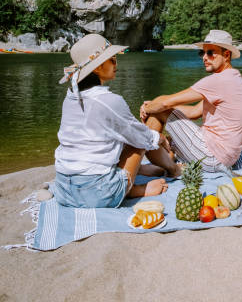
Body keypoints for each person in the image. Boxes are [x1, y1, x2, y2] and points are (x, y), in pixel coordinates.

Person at [53, 34, 180, 208]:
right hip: (99, 195)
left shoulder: (71, 96)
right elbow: (141, 137)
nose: (116, 64)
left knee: (116, 138)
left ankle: (140, 173)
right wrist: (161, 138)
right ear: (97, 67)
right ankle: (166, 174)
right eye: (112, 60)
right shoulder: (108, 100)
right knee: (140, 139)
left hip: (64, 189)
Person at [140, 30, 242, 173]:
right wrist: (153, 105)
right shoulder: (233, 79)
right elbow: (193, 112)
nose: (205, 58)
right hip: (226, 158)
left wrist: (148, 108)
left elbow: (166, 103)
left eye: (211, 53)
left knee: (157, 113)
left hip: (212, 157)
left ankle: (161, 167)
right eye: (203, 53)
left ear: (226, 55)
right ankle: (165, 161)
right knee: (165, 134)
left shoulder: (219, 80)